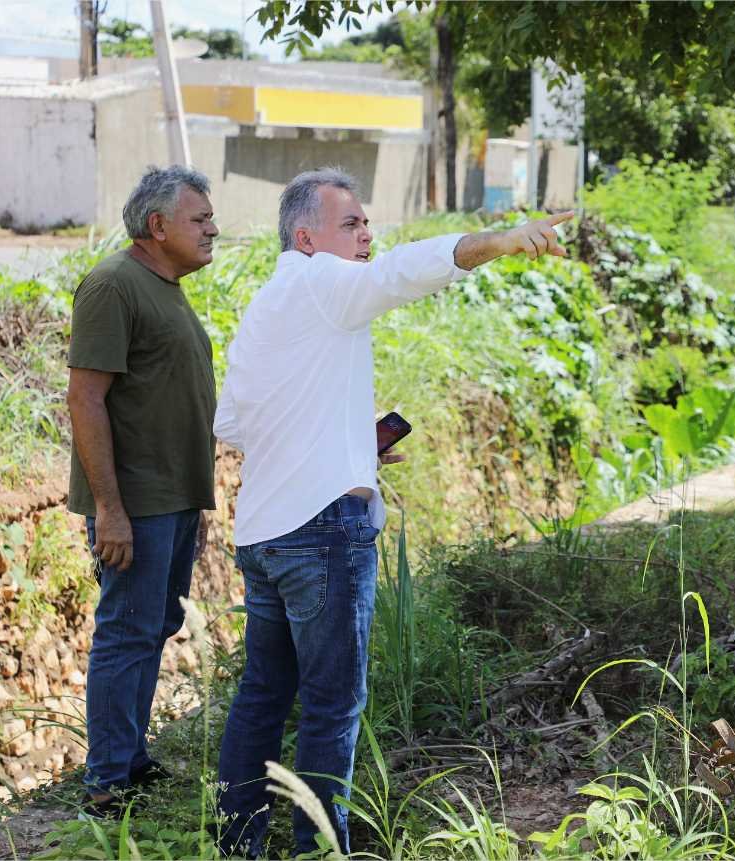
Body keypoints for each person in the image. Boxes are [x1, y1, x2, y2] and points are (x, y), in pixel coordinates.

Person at [214, 166, 570, 856]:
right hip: (321, 533)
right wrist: (498, 241)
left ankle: (238, 845)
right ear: (306, 235)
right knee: (331, 705)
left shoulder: (267, 303)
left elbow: (232, 422)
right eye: (351, 224)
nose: (368, 234)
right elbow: (401, 273)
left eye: (367, 222)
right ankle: (321, 850)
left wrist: (345, 442)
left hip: (264, 533)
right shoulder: (323, 281)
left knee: (262, 695)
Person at [66, 165, 219, 816]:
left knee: (153, 626)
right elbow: (85, 397)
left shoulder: (166, 287)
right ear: (157, 226)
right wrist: (109, 508)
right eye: (199, 219)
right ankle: (106, 783)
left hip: (173, 499)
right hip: (136, 503)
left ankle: (128, 758)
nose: (214, 229)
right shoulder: (112, 285)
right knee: (127, 631)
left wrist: (197, 499)